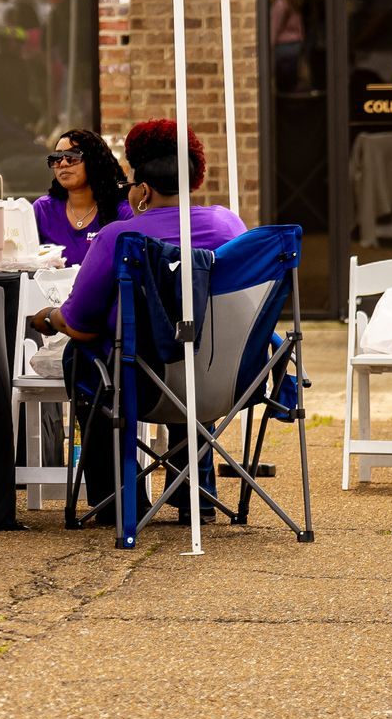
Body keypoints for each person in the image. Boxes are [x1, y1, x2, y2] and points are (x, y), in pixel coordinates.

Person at [26, 118, 245, 518]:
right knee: (188, 340)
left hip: (144, 385)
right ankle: (194, 497)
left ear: (142, 189)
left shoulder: (120, 236)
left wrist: (47, 317)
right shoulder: (228, 224)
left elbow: (79, 323)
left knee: (84, 354)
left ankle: (117, 499)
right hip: (226, 380)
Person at [32, 129, 131, 267]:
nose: (63, 164)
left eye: (72, 156)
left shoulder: (122, 213)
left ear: (94, 161)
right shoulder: (43, 210)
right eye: (57, 158)